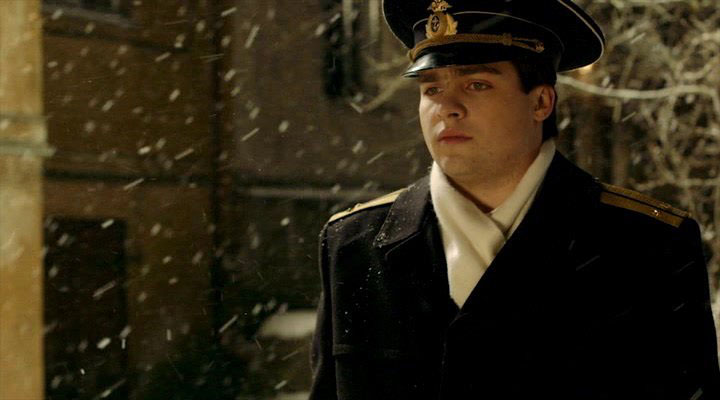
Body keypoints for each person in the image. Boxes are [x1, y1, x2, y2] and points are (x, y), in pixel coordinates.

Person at [309, 0, 720, 398]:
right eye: (431, 88)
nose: (446, 108)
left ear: (541, 102)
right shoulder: (355, 244)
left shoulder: (645, 245)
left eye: (477, 84)